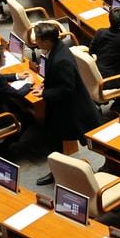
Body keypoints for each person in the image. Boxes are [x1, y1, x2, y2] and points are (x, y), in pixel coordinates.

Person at [33, 22, 102, 184]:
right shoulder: (57, 48)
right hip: (61, 108)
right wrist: (47, 83)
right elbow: (57, 77)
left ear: (47, 41)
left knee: (91, 142)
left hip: (72, 110)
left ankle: (108, 170)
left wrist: (45, 92)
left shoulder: (61, 59)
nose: (35, 41)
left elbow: (67, 89)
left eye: (38, 39)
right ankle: (56, 172)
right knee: (53, 140)